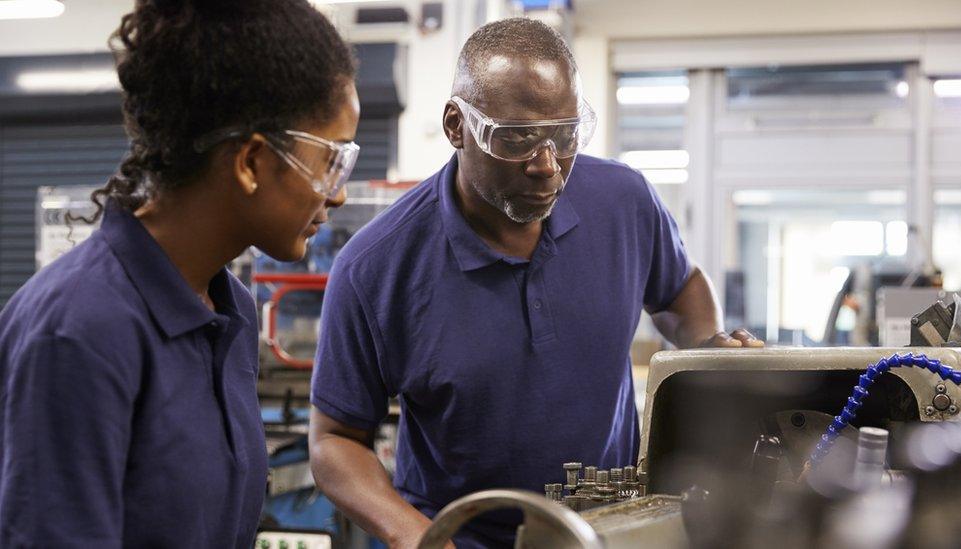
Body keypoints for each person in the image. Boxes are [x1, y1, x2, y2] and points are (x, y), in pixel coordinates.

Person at [309, 17, 762, 549]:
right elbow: (335, 441)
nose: (547, 166)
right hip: (462, 538)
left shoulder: (624, 203)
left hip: (612, 531)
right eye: (518, 138)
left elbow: (681, 288)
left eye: (565, 135)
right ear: (457, 126)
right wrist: (417, 535)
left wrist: (704, 356)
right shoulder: (375, 268)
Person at [0, 0, 358, 546]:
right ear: (251, 163)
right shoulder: (78, 332)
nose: (337, 193)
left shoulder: (229, 308)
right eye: (330, 161)